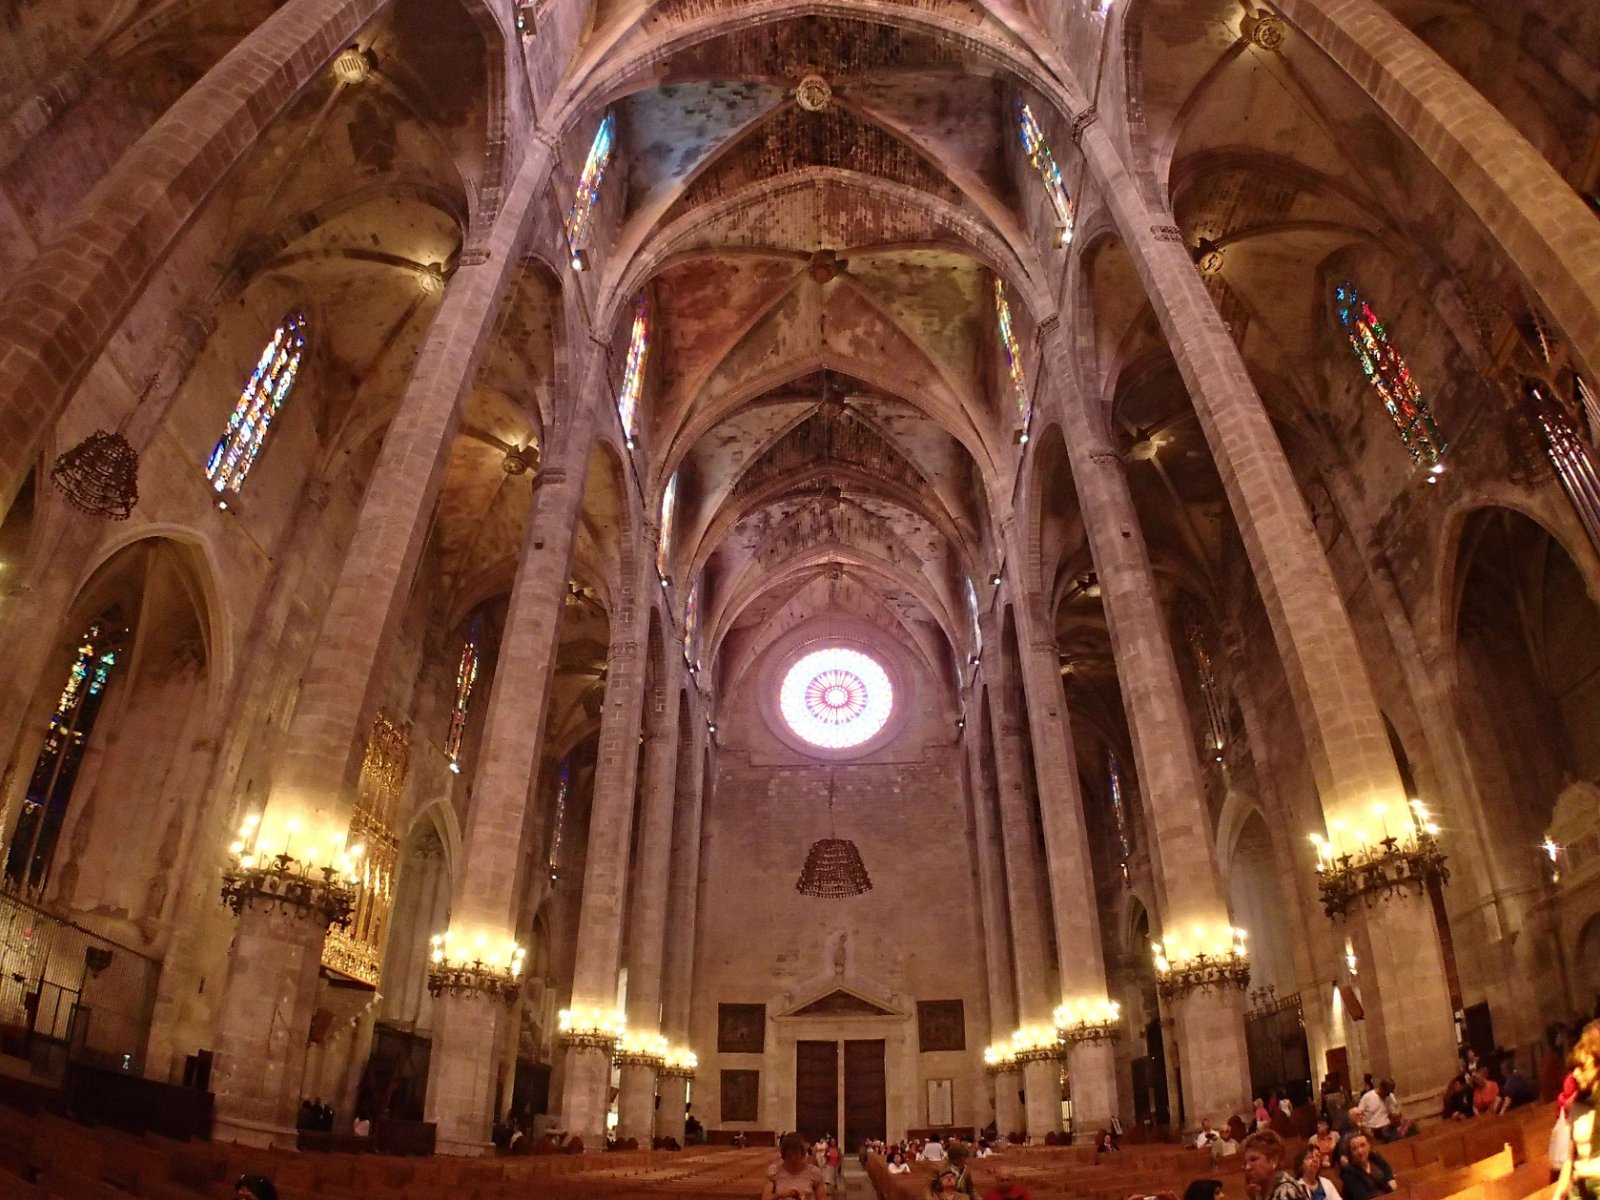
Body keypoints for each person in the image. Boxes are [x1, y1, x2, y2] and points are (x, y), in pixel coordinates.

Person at [1555, 1021, 1600, 1199]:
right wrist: (1558, 1195)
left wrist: (1588, 1170)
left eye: (1582, 1068)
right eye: (1574, 1068)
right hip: (1580, 1191)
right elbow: (1570, 1159)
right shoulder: (1577, 1105)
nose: (1575, 1074)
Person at [765, 1132, 827, 1200]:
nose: (793, 1159)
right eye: (789, 1155)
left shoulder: (814, 1173)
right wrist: (779, 1195)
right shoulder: (774, 1172)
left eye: (796, 1155)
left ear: (802, 1153)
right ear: (784, 1154)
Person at [1240, 1130, 1300, 1200]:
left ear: (1274, 1161)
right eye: (1245, 1163)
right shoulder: (1267, 1189)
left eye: (1253, 1159)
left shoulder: (1286, 1191)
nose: (1247, 1167)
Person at [1339, 1133, 1397, 1200]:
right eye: (1354, 1149)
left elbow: (1387, 1169)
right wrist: (1390, 1189)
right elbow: (1363, 1197)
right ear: (1350, 1153)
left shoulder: (1375, 1159)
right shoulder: (1348, 1174)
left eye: (1363, 1145)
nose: (1360, 1151)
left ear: (1369, 1146)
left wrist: (1390, 1179)